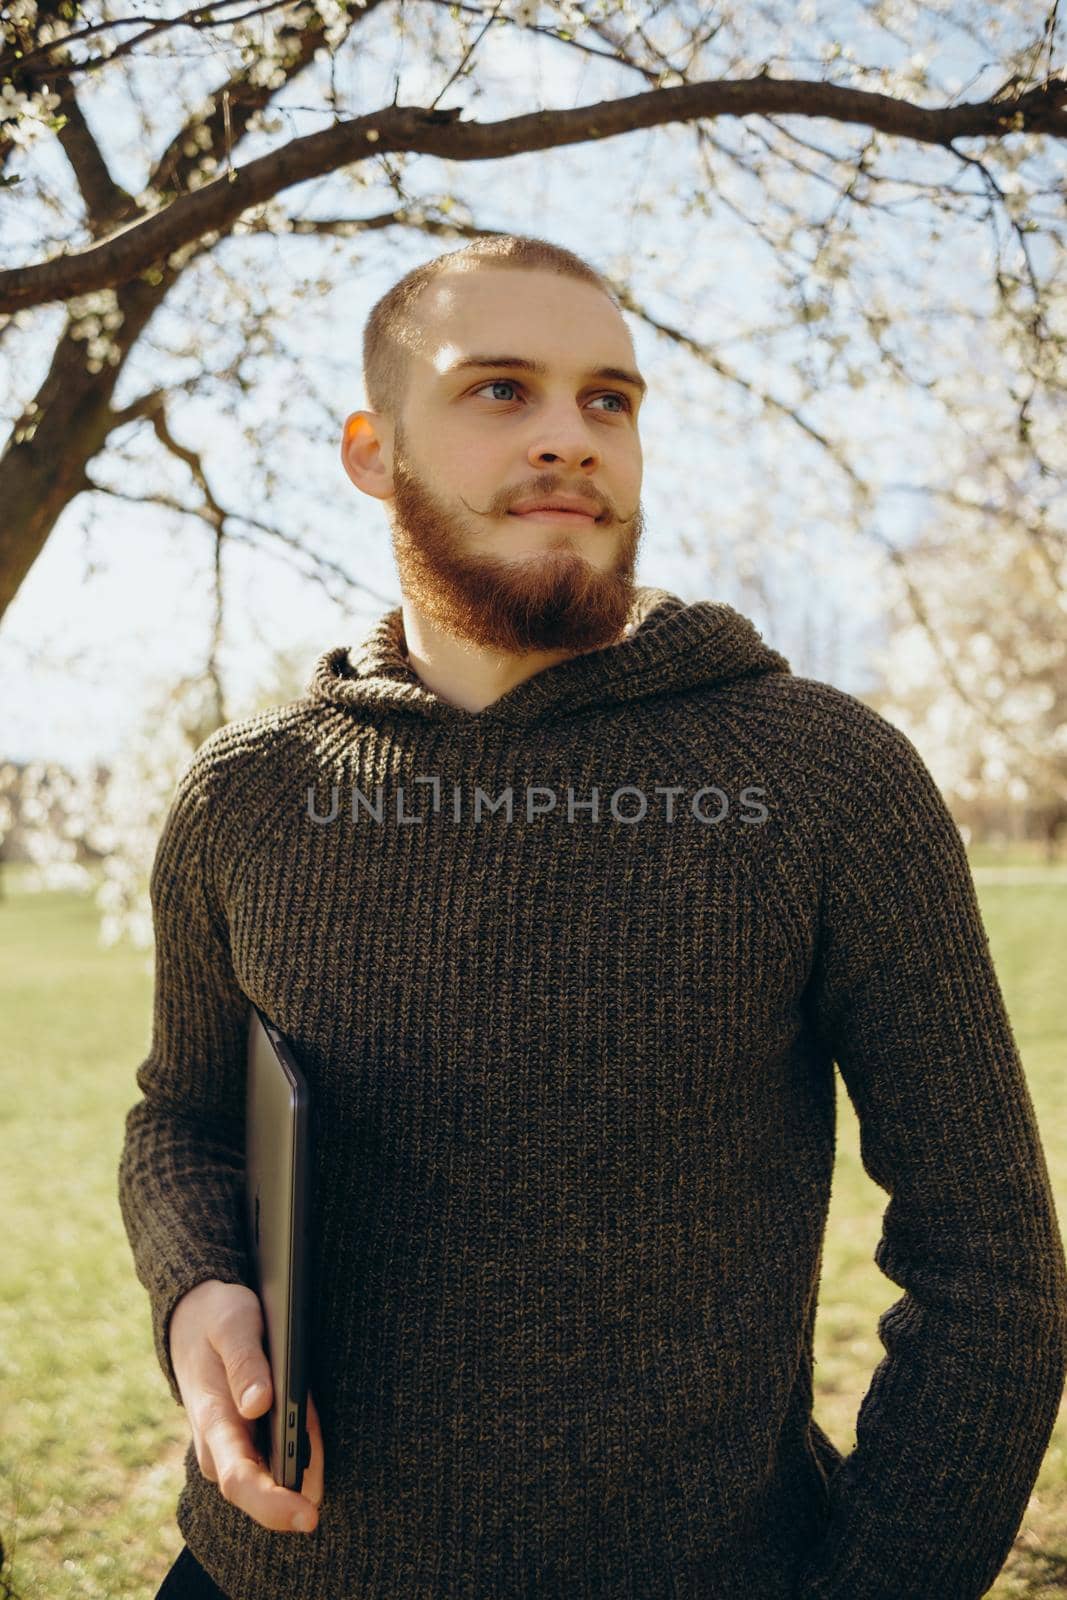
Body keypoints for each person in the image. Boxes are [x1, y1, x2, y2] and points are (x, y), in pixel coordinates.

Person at [120, 233, 1067, 1600]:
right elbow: (180, 1115)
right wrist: (199, 1280)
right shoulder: (248, 792)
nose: (571, 436)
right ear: (371, 451)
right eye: (501, 389)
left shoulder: (822, 778)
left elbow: (992, 1276)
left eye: (607, 400)